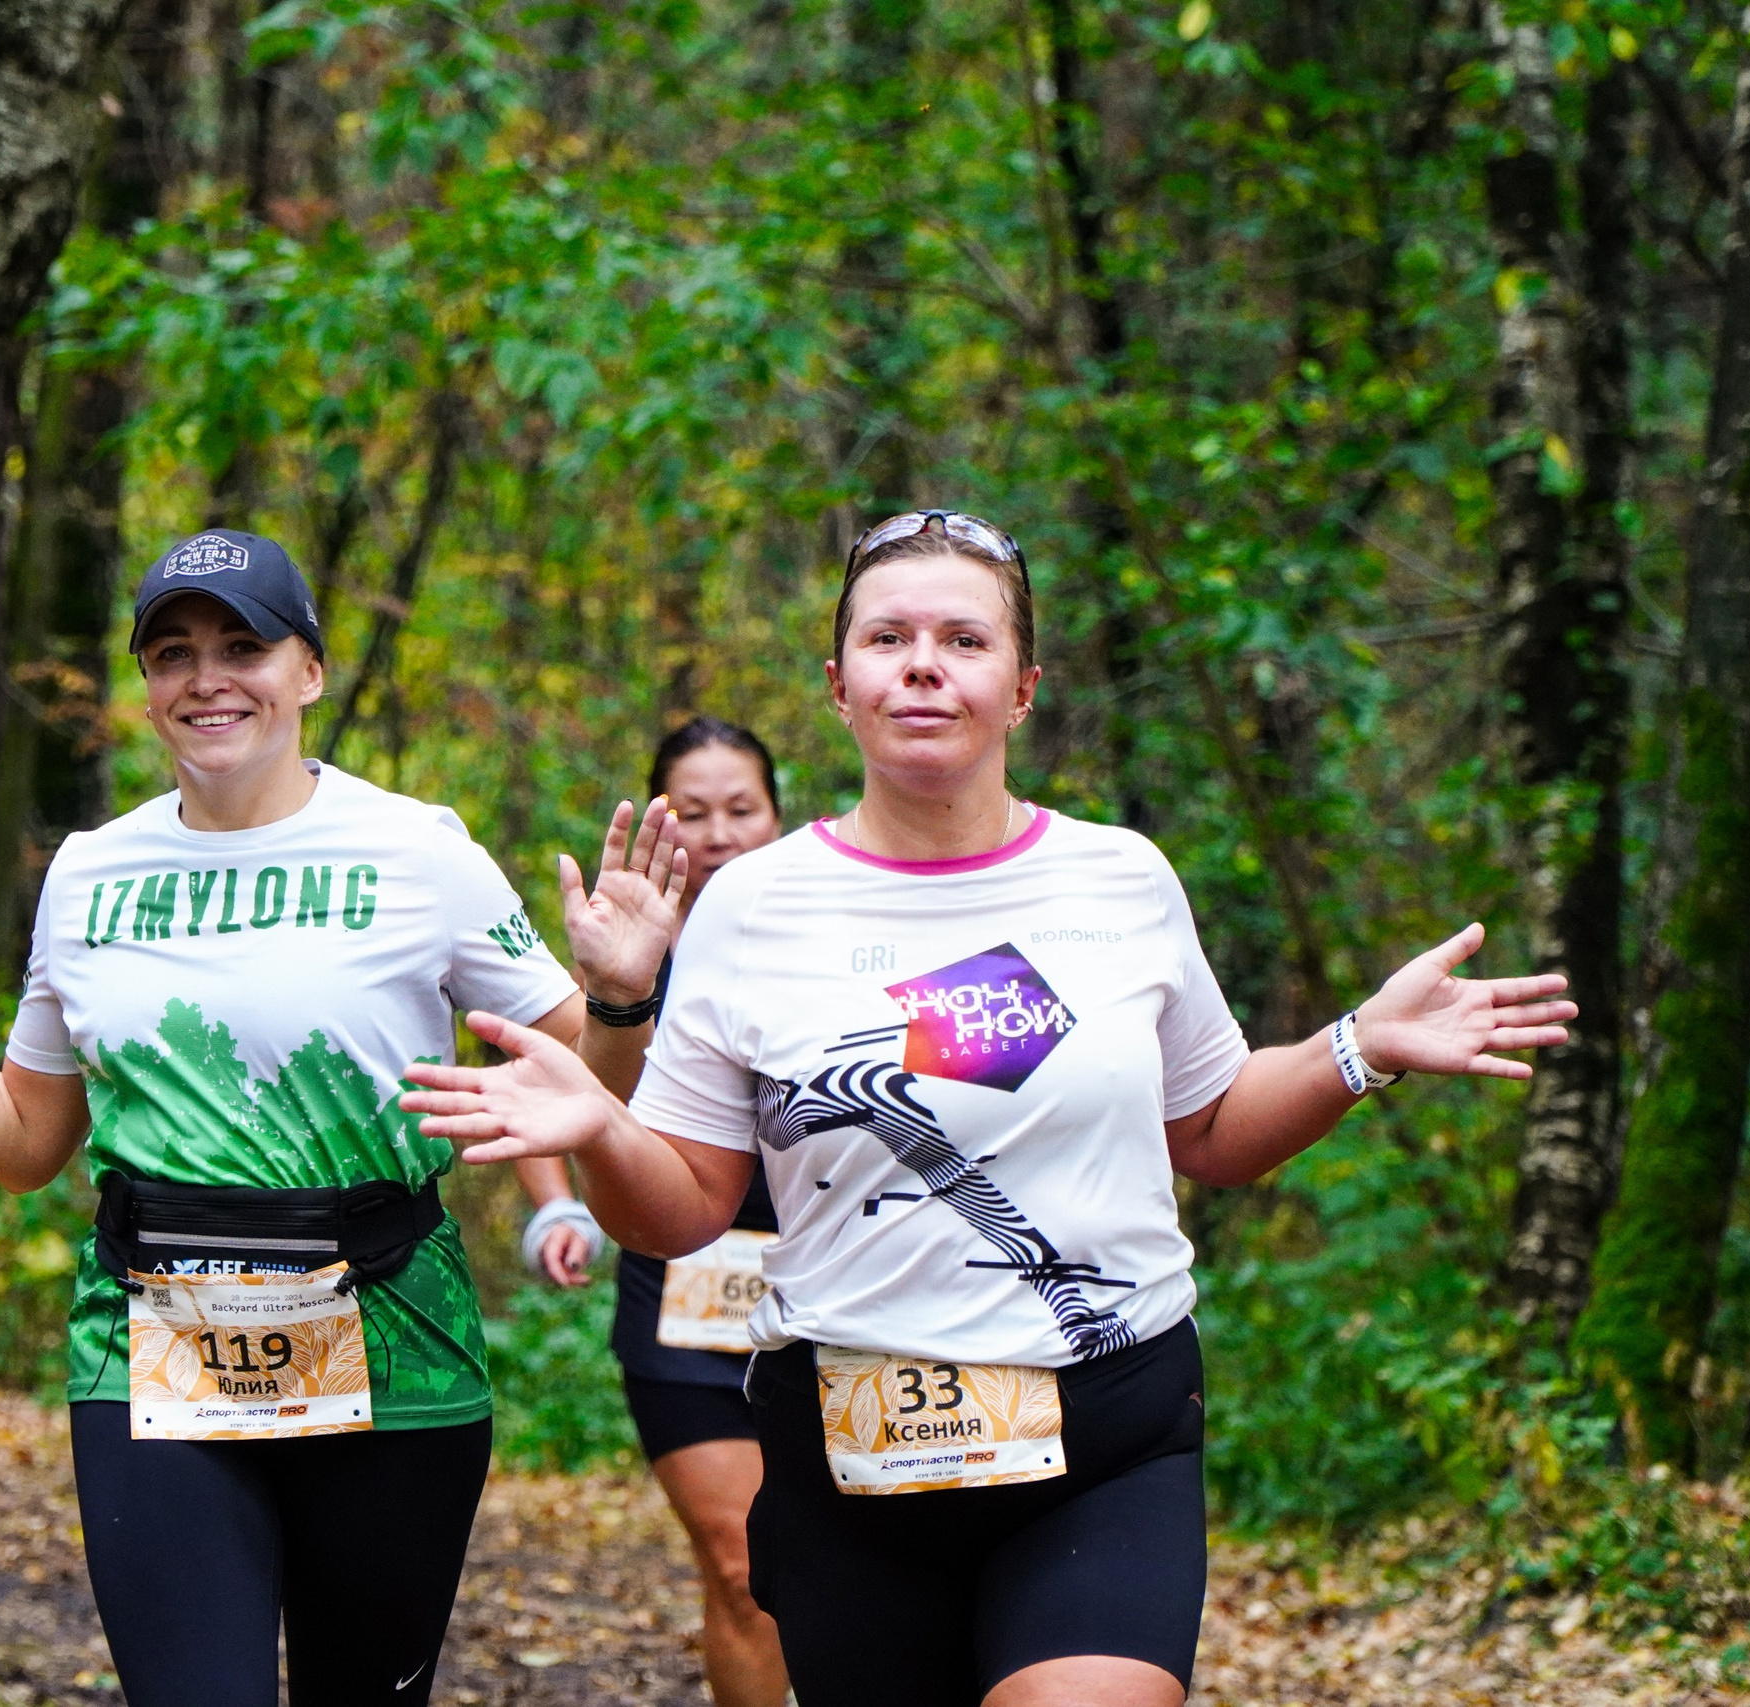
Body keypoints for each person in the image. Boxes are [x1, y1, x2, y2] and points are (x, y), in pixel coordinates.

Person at [401, 509, 1578, 1707]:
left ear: (1020, 690)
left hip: (1104, 1438)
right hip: (848, 1457)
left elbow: (1212, 1132)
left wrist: (1355, 1046)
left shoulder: (1120, 878)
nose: (922, 662)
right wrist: (602, 1103)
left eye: (962, 639)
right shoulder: (752, 907)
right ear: (838, 685)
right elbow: (682, 1216)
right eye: (888, 637)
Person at [0, 529, 683, 1707]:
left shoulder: (417, 851)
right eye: (174, 652)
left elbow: (591, 1085)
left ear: (309, 671)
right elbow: (29, 1139)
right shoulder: (91, 872)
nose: (208, 678)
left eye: (244, 645)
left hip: (391, 1334)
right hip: (153, 1340)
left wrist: (617, 996)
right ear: (145, 685)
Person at [512, 716, 791, 1707]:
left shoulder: (839, 930)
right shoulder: (620, 949)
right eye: (694, 812)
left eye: (740, 809)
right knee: (742, 1567)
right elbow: (551, 1087)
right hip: (682, 1302)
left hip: (835, 1296)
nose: (718, 832)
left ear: (777, 814)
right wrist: (555, 1211)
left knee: (851, 1580)